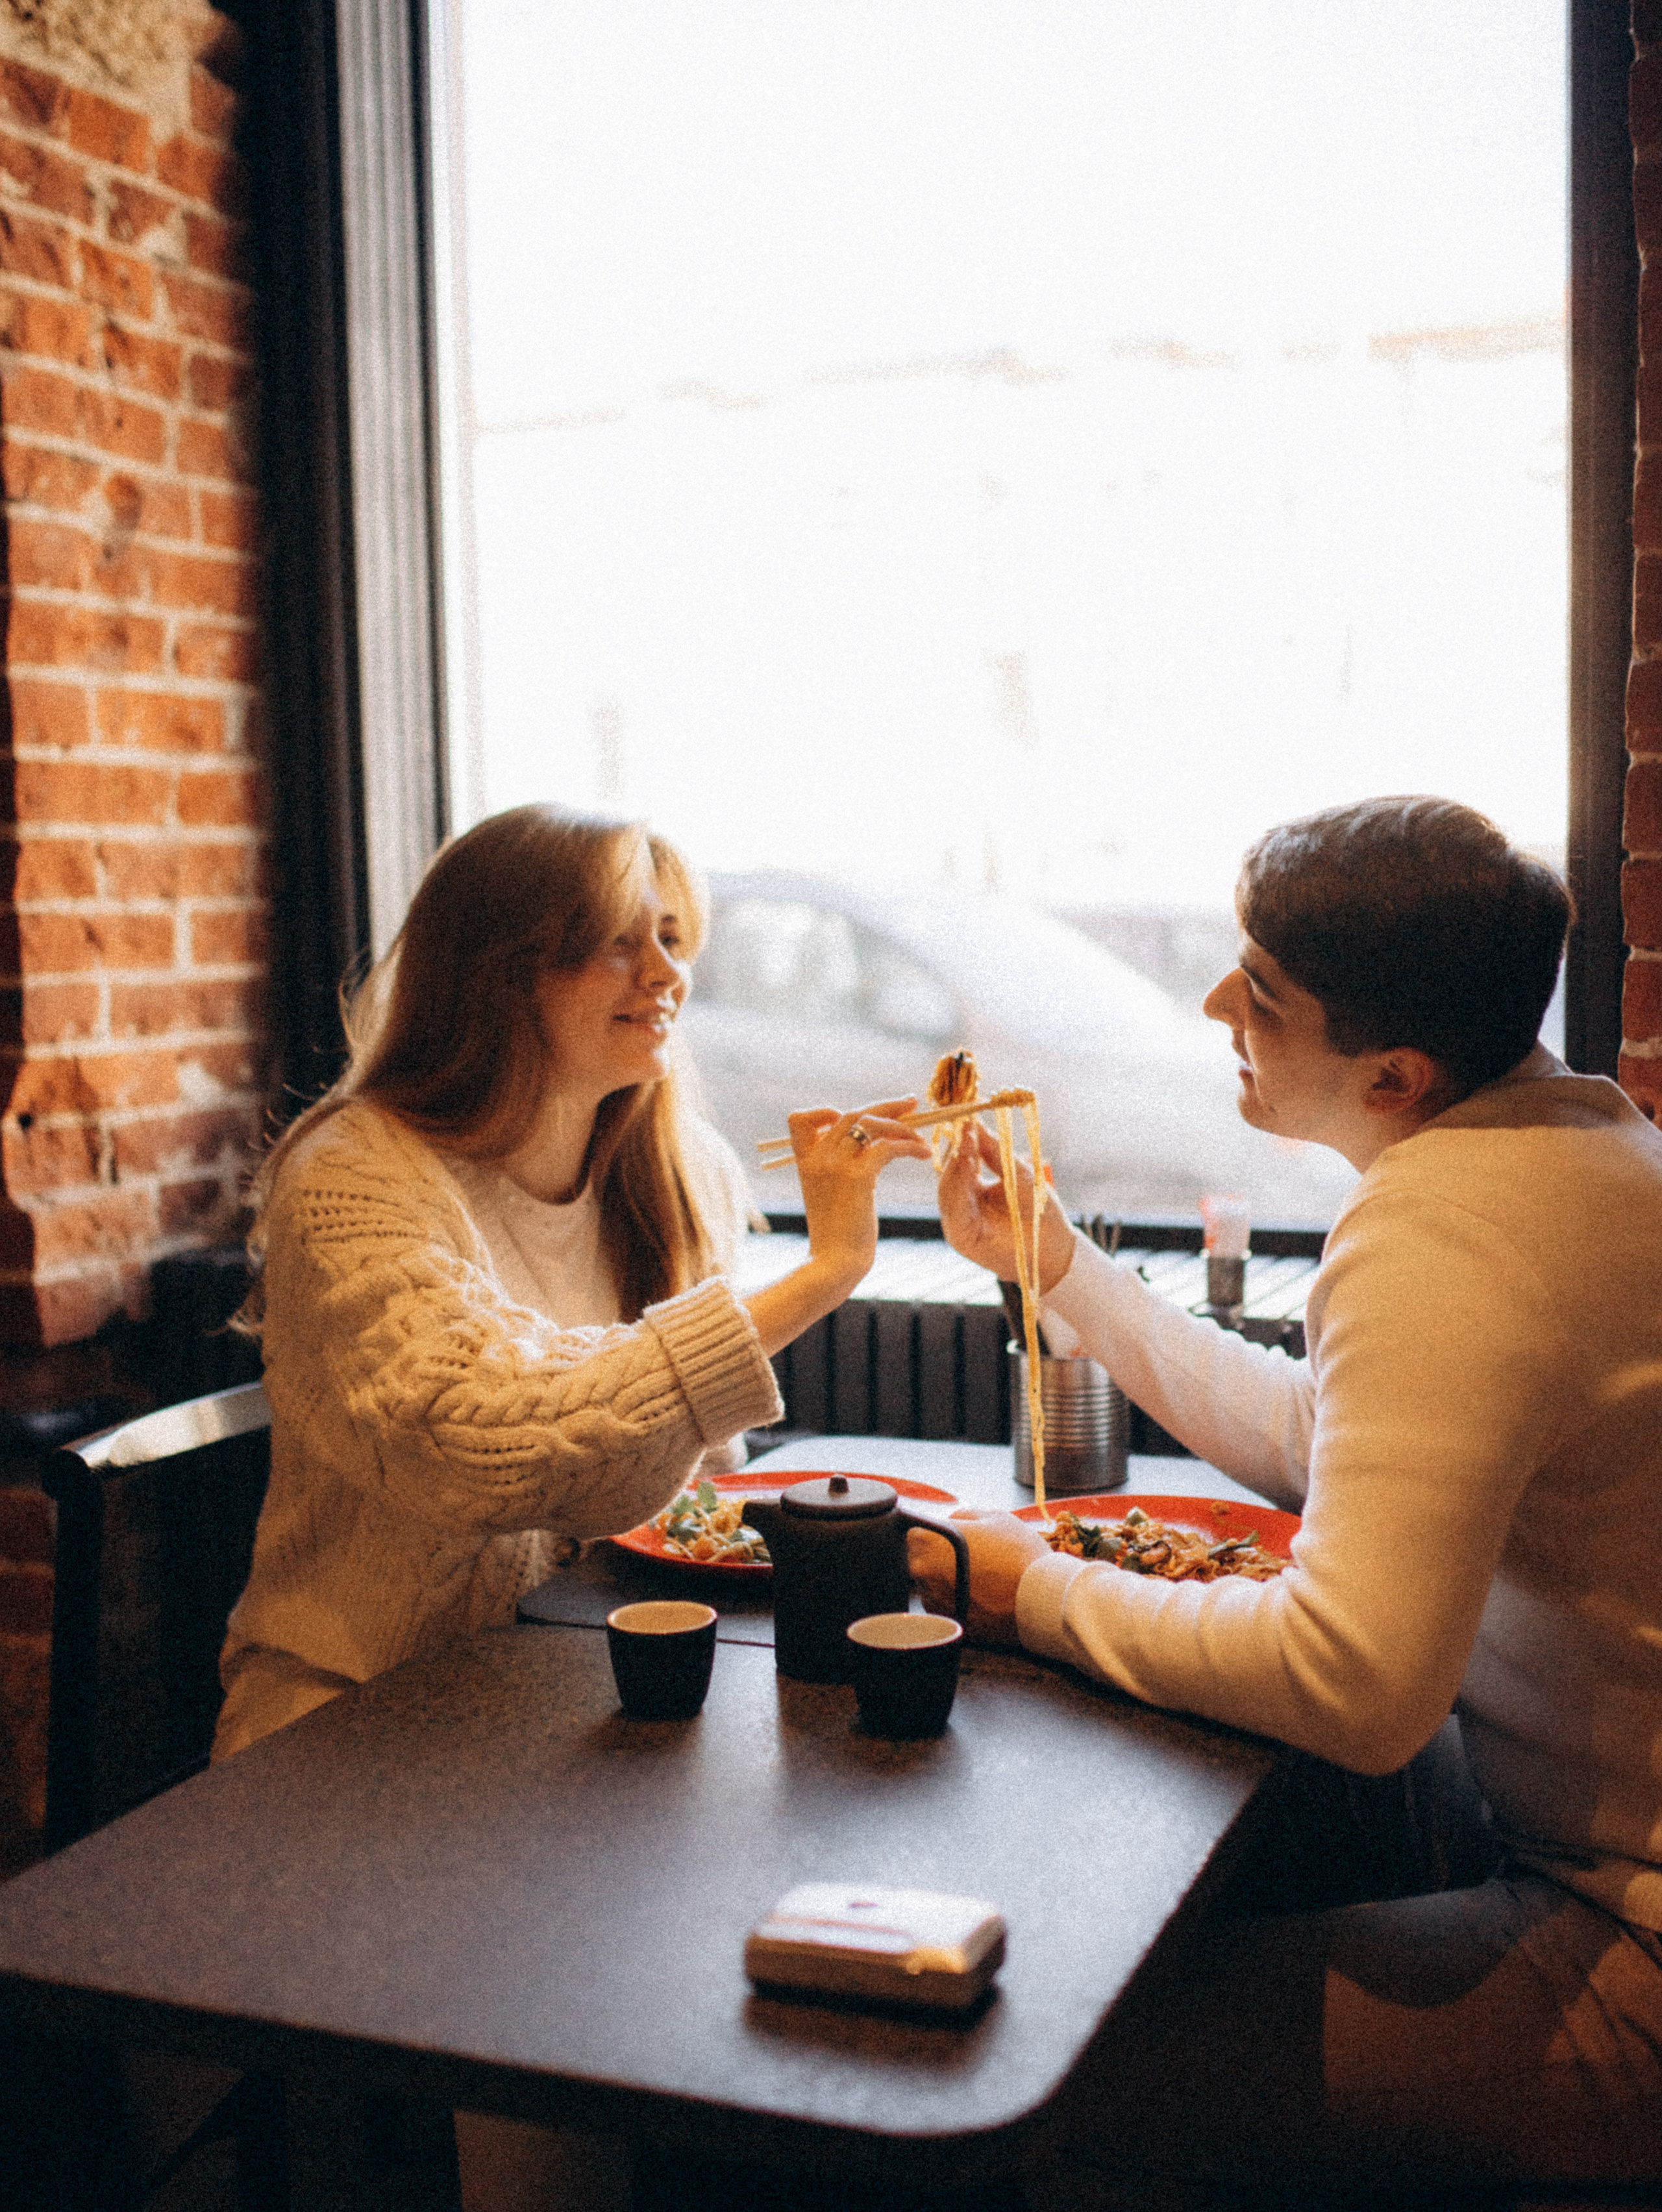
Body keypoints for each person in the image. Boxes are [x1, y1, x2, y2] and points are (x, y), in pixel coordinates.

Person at [912, 796, 1662, 2207]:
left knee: (1045, 2076)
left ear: (1391, 1074)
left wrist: (1029, 1592)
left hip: (1626, 1943)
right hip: (1562, 1857)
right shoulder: (1570, 1147)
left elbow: (1354, 1684)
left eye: (1255, 993)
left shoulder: (1448, 1224)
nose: (1211, 1005)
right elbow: (1323, 1440)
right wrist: (1058, 1265)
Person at [214, 802, 928, 1763]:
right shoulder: (354, 1174)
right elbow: (484, 1436)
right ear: (498, 973)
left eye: (672, 939)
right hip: (355, 1725)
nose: (669, 974)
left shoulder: (682, 1173)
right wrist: (826, 1272)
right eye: (616, 943)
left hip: (580, 1703)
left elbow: (690, 1494)